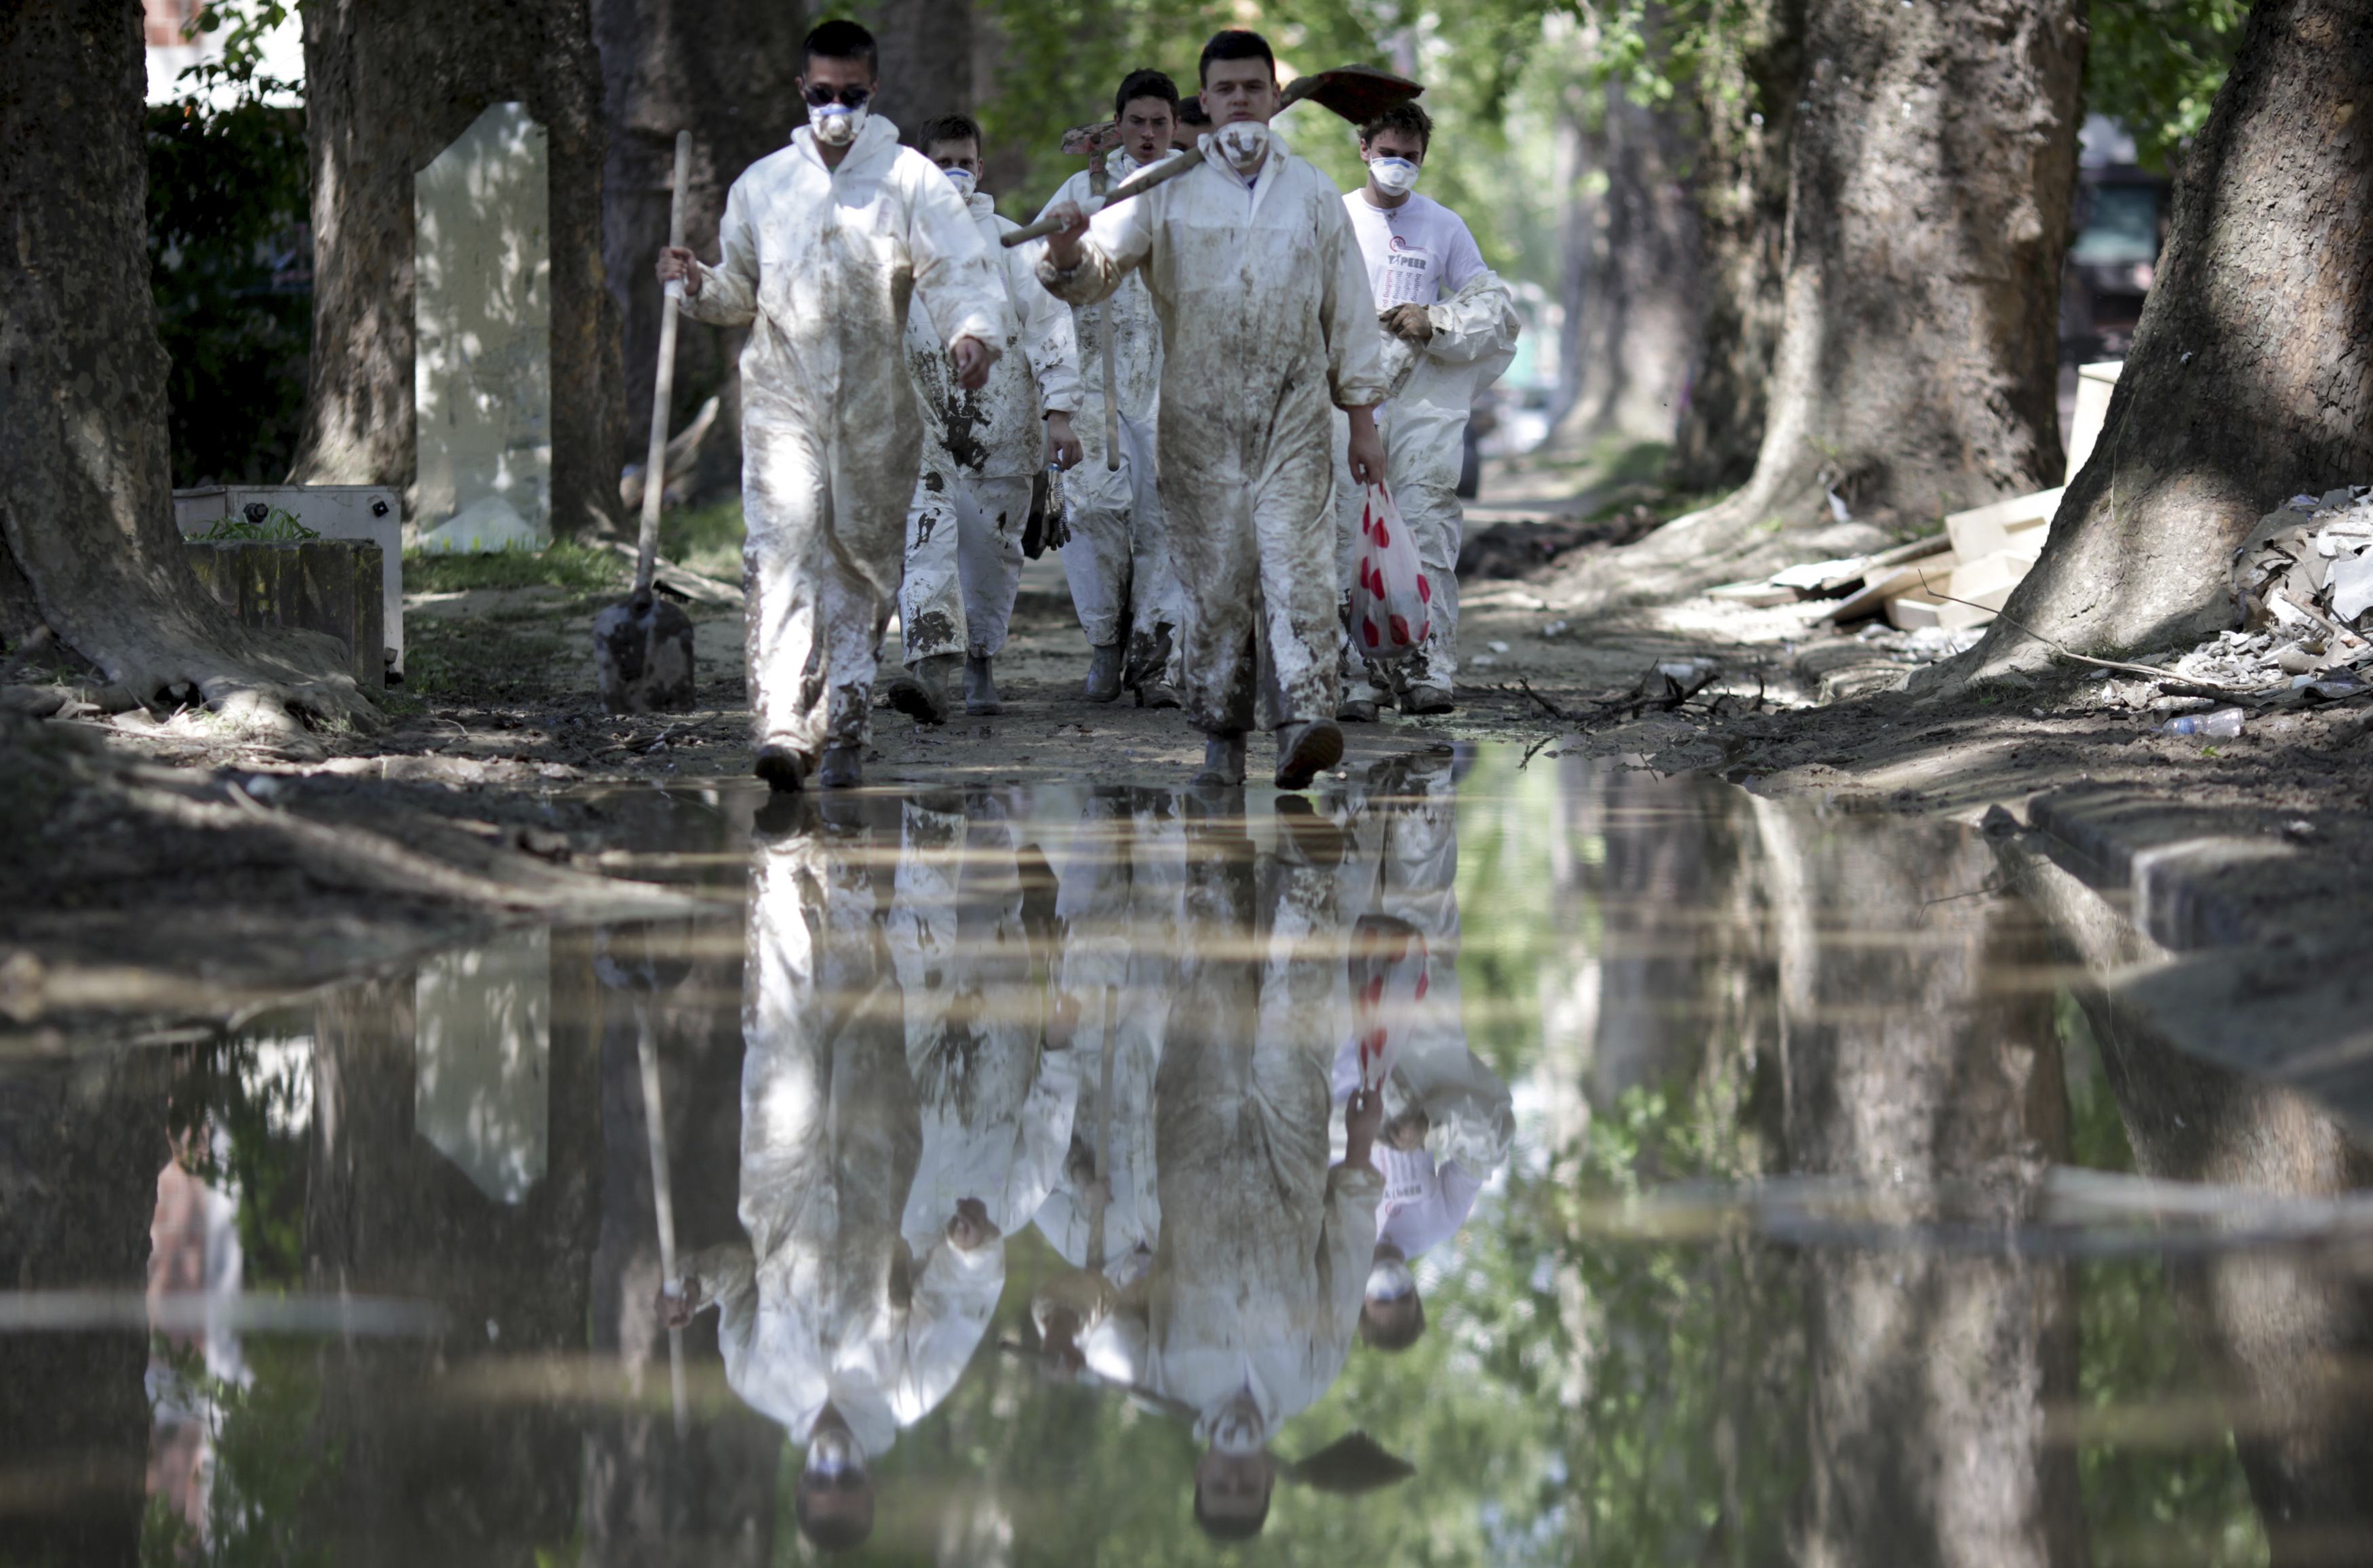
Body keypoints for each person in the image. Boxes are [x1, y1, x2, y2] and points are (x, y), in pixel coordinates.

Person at [656, 19, 1010, 792]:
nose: (836, 107)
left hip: (877, 412)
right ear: (801, 90)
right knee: (780, 554)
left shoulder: (911, 181)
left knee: (862, 568)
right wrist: (693, 283)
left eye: (851, 94)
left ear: (873, 90)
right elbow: (736, 291)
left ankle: (844, 724)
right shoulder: (763, 185)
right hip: (782, 401)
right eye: (822, 93)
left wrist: (972, 334)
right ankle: (784, 725)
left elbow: (960, 269)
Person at [1040, 30, 1390, 790]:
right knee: (1217, 580)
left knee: (1297, 569)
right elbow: (1094, 274)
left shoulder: (1312, 193)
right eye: (1223, 89)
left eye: (1251, 88)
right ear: (1205, 100)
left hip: (1292, 418)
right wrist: (1067, 251)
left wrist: (1361, 418)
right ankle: (1222, 736)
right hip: (1196, 423)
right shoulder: (1165, 186)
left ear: (1272, 98)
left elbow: (1351, 310)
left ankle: (1303, 719)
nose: (1238, 99)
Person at [660, 796, 1005, 1554]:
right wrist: (971, 1247)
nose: (835, 1473)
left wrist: (689, 1284)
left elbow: (735, 1280)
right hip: (874, 1152)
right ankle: (841, 819)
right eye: (848, 1486)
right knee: (864, 990)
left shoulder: (758, 1384)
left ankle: (778, 849)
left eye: (822, 1486)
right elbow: (961, 1304)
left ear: (802, 1483)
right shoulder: (906, 1393)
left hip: (776, 1175)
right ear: (867, 1484)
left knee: (777, 1018)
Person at [1030, 805, 1384, 1541]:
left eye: (1218, 1483)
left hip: (1190, 1139)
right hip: (1289, 1159)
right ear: (1265, 1476)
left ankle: (1214, 791)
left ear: (1199, 1474)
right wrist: (1357, 1150)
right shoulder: (1312, 1380)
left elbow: (1091, 1300)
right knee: (1298, 996)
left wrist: (1061, 1332)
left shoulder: (1154, 1379)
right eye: (1243, 1484)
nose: (1233, 1469)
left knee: (1213, 958)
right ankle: (1306, 819)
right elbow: (1346, 1255)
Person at [890, 117, 1084, 723]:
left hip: (1003, 431)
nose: (955, 171)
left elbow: (1053, 327)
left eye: (964, 160)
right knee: (925, 547)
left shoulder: (1012, 244)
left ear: (980, 168)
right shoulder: (897, 248)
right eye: (941, 159)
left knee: (992, 557)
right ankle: (932, 673)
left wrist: (1060, 414)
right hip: (921, 430)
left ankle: (980, 661)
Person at [1332, 102, 1519, 721]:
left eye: (1409, 157)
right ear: (1363, 149)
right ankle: (1356, 678)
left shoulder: (1443, 227)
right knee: (1345, 538)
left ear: (1423, 159)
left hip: (1421, 409)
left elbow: (1490, 304)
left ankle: (1428, 670)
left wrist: (1432, 321)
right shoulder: (1331, 218)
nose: (1397, 166)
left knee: (1426, 529)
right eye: (1387, 153)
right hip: (1340, 400)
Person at [1038, 71, 1186, 710]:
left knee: (1168, 522)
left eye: (1160, 123)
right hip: (1097, 378)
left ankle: (1156, 662)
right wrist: (1058, 400)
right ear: (1118, 124)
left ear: (1175, 126)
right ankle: (1105, 642)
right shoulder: (1084, 188)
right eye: (1137, 122)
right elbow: (1046, 275)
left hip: (1175, 378)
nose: (1149, 134)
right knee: (1093, 510)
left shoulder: (1195, 181)